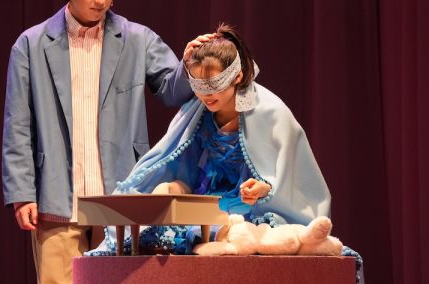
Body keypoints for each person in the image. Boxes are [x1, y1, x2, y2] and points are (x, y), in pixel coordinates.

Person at [1, 0, 207, 284]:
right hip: (57, 196)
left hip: (119, 197)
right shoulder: (30, 45)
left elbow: (173, 91)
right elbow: (17, 125)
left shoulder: (138, 39)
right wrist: (22, 193)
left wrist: (190, 65)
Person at [87, 23, 331, 256]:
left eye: (215, 84)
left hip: (254, 207)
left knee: (262, 233)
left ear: (237, 76)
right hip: (210, 201)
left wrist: (264, 188)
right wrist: (174, 188)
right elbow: (184, 167)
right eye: (198, 85)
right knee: (165, 218)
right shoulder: (197, 113)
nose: (206, 94)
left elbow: (289, 178)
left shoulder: (271, 112)